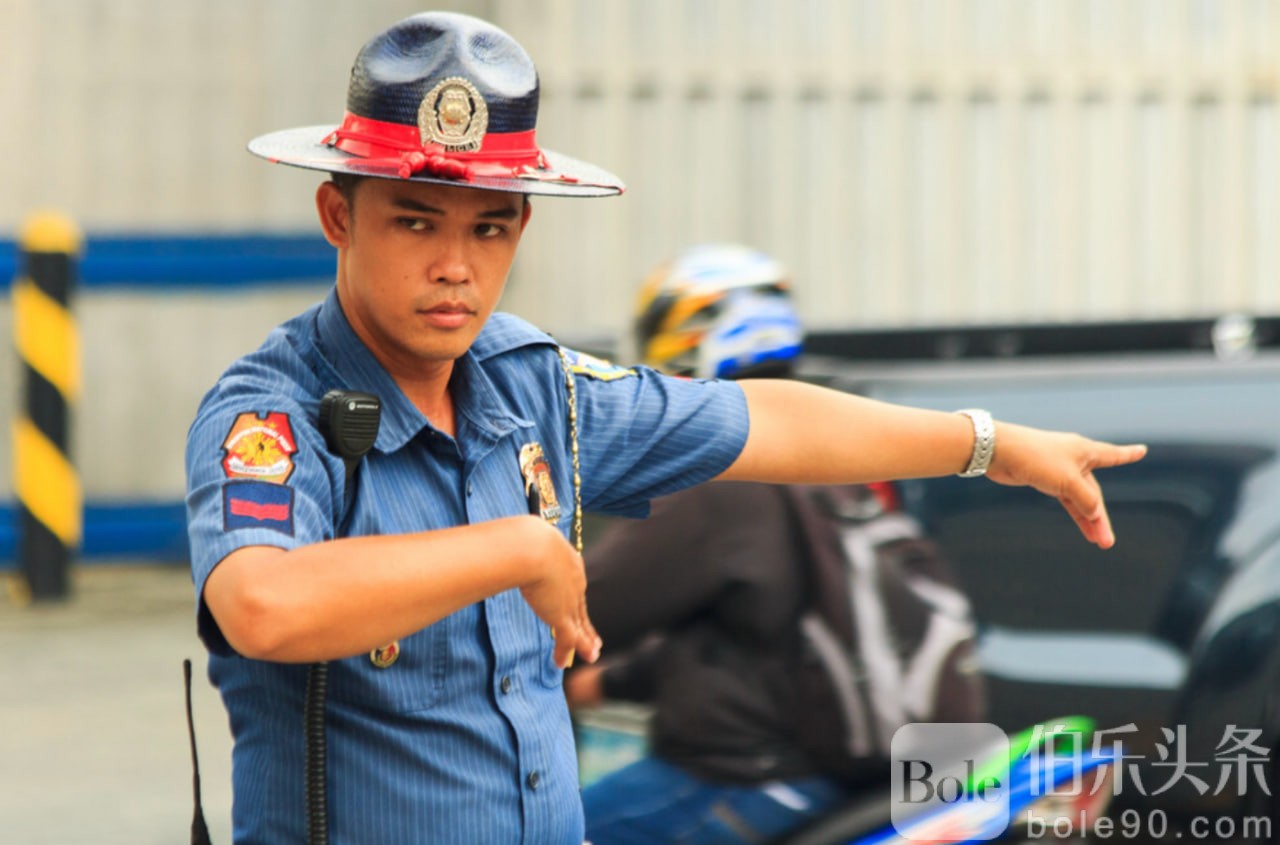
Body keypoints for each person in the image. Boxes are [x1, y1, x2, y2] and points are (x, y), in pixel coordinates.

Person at [183, 11, 1146, 845]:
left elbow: (760, 420)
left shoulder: (532, 389)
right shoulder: (273, 413)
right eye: (415, 222)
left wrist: (989, 443)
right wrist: (517, 545)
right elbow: (263, 607)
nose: (454, 267)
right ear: (337, 215)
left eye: (489, 228)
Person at [566, 244, 982, 844]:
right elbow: (766, 637)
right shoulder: (835, 463)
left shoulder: (720, 473)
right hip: (837, 767)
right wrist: (611, 682)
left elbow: (585, 606)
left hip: (751, 776)